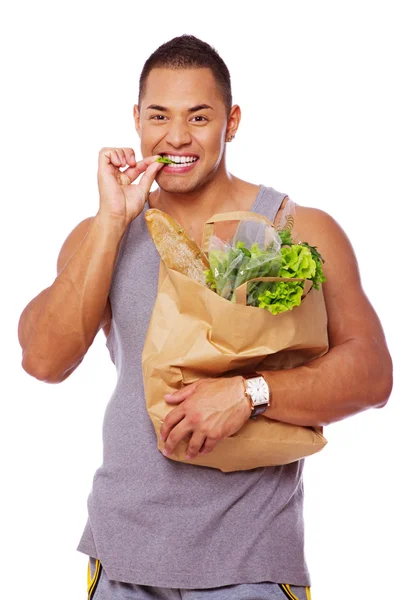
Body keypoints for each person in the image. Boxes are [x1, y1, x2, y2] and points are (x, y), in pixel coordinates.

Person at [18, 34, 392, 600]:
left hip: (250, 562)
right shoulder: (103, 234)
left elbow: (373, 374)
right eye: (158, 116)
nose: (176, 137)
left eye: (199, 117)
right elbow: (43, 359)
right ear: (135, 120)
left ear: (232, 121)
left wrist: (251, 393)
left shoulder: (299, 227)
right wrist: (111, 219)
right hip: (121, 556)